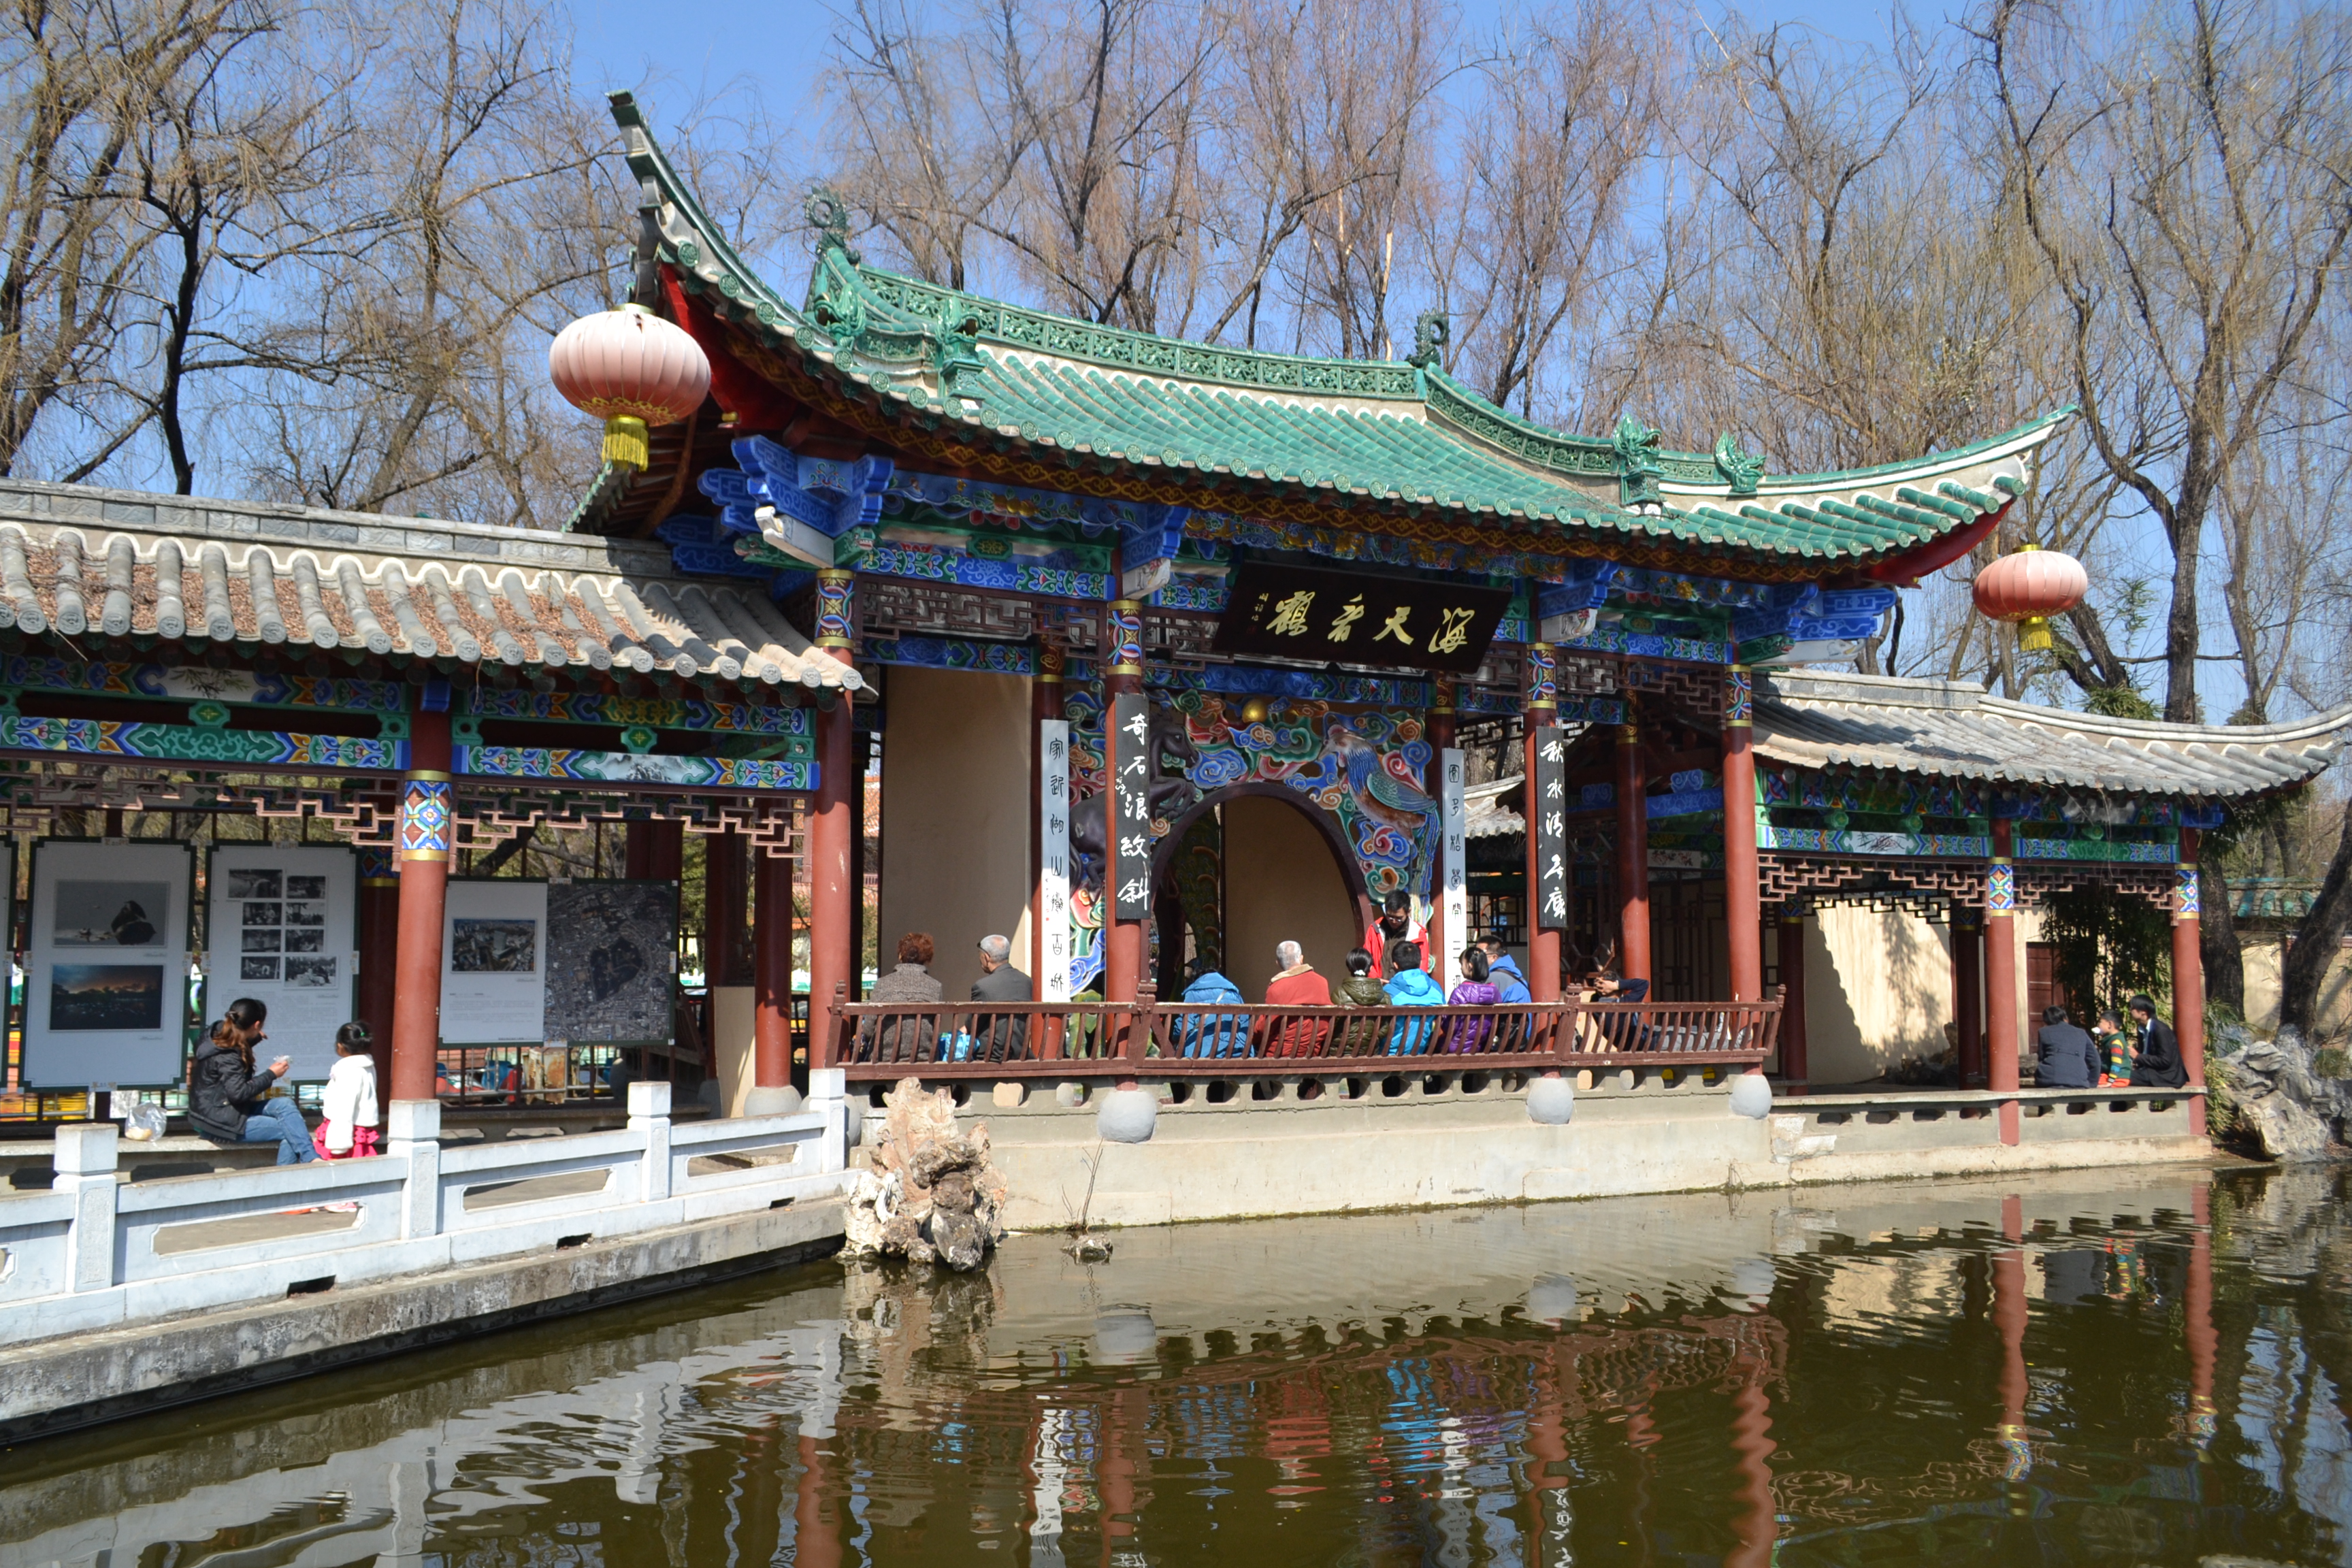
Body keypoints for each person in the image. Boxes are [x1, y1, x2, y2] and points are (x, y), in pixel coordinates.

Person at [188, 998, 315, 1164]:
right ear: (256, 1025)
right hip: (217, 1121)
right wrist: (271, 1074)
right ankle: (285, 1182)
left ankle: (311, 1159)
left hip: (217, 1110)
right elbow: (238, 1093)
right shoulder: (228, 1056)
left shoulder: (217, 1032)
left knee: (285, 1104)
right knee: (292, 1132)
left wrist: (253, 1038)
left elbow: (233, 1045)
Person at [866, 932, 943, 1062]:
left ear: (901, 956)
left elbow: (868, 1030)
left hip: (884, 1058)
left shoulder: (882, 984)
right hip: (923, 1058)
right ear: (926, 958)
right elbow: (935, 1028)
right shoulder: (935, 986)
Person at [314, 1022, 380, 1160]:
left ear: (340, 1045)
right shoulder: (367, 1067)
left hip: (344, 1133)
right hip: (357, 1130)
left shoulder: (350, 1071)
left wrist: (338, 1146)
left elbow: (344, 1108)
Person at [1264, 940, 1333, 1057]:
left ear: (1278, 963)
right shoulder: (1322, 982)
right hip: (1313, 1053)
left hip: (1280, 1055)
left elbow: (1265, 1028)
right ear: (1301, 958)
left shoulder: (1276, 988)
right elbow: (1324, 1024)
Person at [970, 933, 1031, 1061]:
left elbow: (973, 1025)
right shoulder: (1027, 982)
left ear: (986, 957)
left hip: (991, 1055)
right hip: (1022, 1052)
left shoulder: (982, 986)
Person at [1382, 941, 1446, 1053]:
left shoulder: (1389, 991)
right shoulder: (1435, 988)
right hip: (1420, 1052)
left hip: (1388, 1054)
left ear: (1395, 964)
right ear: (1420, 962)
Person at [1179, 956, 1248, 1058]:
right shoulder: (1234, 994)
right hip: (1236, 1049)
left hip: (1203, 1051)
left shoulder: (1192, 994)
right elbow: (1244, 1026)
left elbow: (1185, 1028)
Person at [1331, 947, 1389, 1053]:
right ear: (1371, 967)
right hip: (1370, 1051)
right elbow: (1386, 1025)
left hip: (1340, 1052)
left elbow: (1331, 1024)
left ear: (1349, 967)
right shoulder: (1384, 996)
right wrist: (1374, 1038)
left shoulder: (1339, 993)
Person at [2034, 1004, 2101, 1089]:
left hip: (2050, 1080)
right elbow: (2095, 1061)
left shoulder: (2044, 1032)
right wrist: (2092, 1083)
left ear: (2046, 1021)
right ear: (2065, 1018)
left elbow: (2042, 1056)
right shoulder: (2081, 1033)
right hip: (2079, 1081)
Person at [1361, 892, 1426, 979]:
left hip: (1405, 988)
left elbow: (1422, 967)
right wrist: (1375, 979)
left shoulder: (1417, 933)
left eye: (1399, 918)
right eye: (1390, 917)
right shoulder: (1375, 929)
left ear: (1408, 912)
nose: (1394, 922)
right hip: (1377, 986)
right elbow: (1366, 959)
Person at [1446, 945, 1499, 1052]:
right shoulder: (1494, 991)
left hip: (1457, 1048)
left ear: (1470, 966)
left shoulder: (1460, 992)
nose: (1461, 968)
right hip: (1483, 1047)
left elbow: (1450, 1026)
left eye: (1462, 964)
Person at [2128, 994, 2188, 1088]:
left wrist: (2138, 1057)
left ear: (2143, 1012)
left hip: (2166, 1075)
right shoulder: (2142, 1029)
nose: (2130, 1011)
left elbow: (2165, 1061)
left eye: (2132, 1008)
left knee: (2122, 1077)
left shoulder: (2160, 1030)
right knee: (2118, 1073)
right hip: (2150, 1072)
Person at [1480, 935, 1531, 1005]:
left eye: (1480, 955)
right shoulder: (1515, 974)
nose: (1476, 958)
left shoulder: (1493, 978)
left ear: (1494, 957)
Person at [2093, 1008, 2132, 1085]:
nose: (2099, 1025)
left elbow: (2116, 1064)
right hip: (2111, 1077)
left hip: (2118, 1079)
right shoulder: (2110, 1040)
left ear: (2110, 1024)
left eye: (2100, 1022)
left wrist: (2110, 1082)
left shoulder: (2116, 1042)